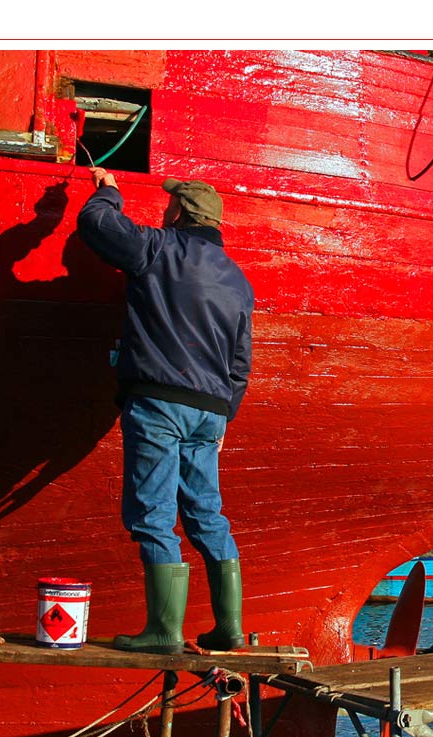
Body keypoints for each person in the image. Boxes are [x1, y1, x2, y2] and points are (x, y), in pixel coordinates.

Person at [77, 167, 254, 654]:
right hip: (210, 411)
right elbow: (240, 361)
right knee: (207, 514)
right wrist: (224, 412)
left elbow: (97, 227)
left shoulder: (159, 247)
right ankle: (229, 629)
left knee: (152, 514)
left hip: (159, 401)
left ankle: (164, 631)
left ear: (178, 212)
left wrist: (109, 192)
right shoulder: (238, 281)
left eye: (170, 204)